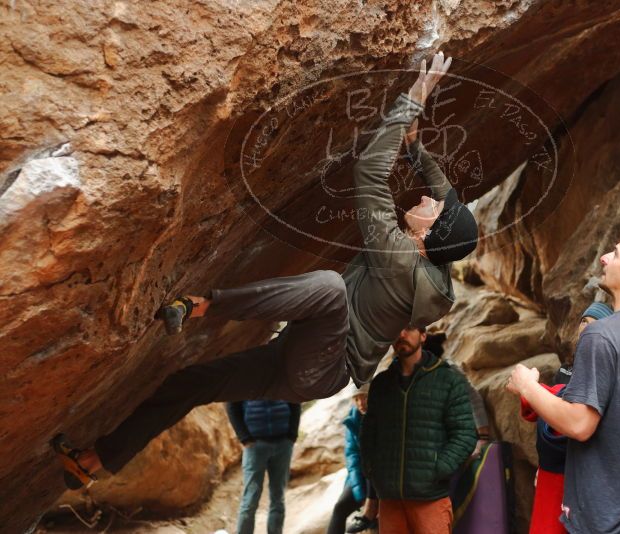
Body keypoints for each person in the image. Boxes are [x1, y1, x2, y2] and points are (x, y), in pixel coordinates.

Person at [51, 51, 480, 490]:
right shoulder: (434, 267)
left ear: (432, 237)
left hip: (324, 364)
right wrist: (414, 146)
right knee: (189, 383)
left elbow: (369, 169)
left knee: (330, 287)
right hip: (300, 359)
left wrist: (412, 100)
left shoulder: (399, 261)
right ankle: (94, 461)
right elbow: (448, 198)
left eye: (433, 208)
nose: (428, 198)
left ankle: (200, 306)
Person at [508, 232, 620, 534]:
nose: (604, 258)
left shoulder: (601, 334)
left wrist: (528, 387)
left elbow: (579, 424)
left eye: (614, 254)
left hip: (616, 521)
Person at [360, 326, 477, 534]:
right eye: (397, 328)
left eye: (409, 328)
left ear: (423, 336)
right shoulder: (381, 383)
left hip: (430, 498)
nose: (401, 334)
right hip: (389, 498)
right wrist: (372, 469)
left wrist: (438, 469)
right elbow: (369, 433)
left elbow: (465, 434)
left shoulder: (448, 380)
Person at [519, 301, 613, 534]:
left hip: (580, 484)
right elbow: (548, 419)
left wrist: (531, 388)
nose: (585, 328)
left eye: (593, 324)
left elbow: (571, 420)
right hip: (552, 480)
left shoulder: (607, 378)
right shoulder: (566, 371)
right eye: (583, 321)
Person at [226, 399, 301, 534]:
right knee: (250, 498)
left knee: (278, 498)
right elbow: (232, 406)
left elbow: (295, 401)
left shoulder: (282, 377)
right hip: (255, 445)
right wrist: (244, 438)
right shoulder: (242, 379)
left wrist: (292, 434)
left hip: (283, 443)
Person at [326, 384, 379, 534]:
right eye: (356, 398)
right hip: (362, 476)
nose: (361, 403)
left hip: (380, 477)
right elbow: (352, 457)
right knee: (340, 508)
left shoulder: (382, 416)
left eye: (365, 397)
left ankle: (372, 516)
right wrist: (360, 494)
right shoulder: (353, 418)